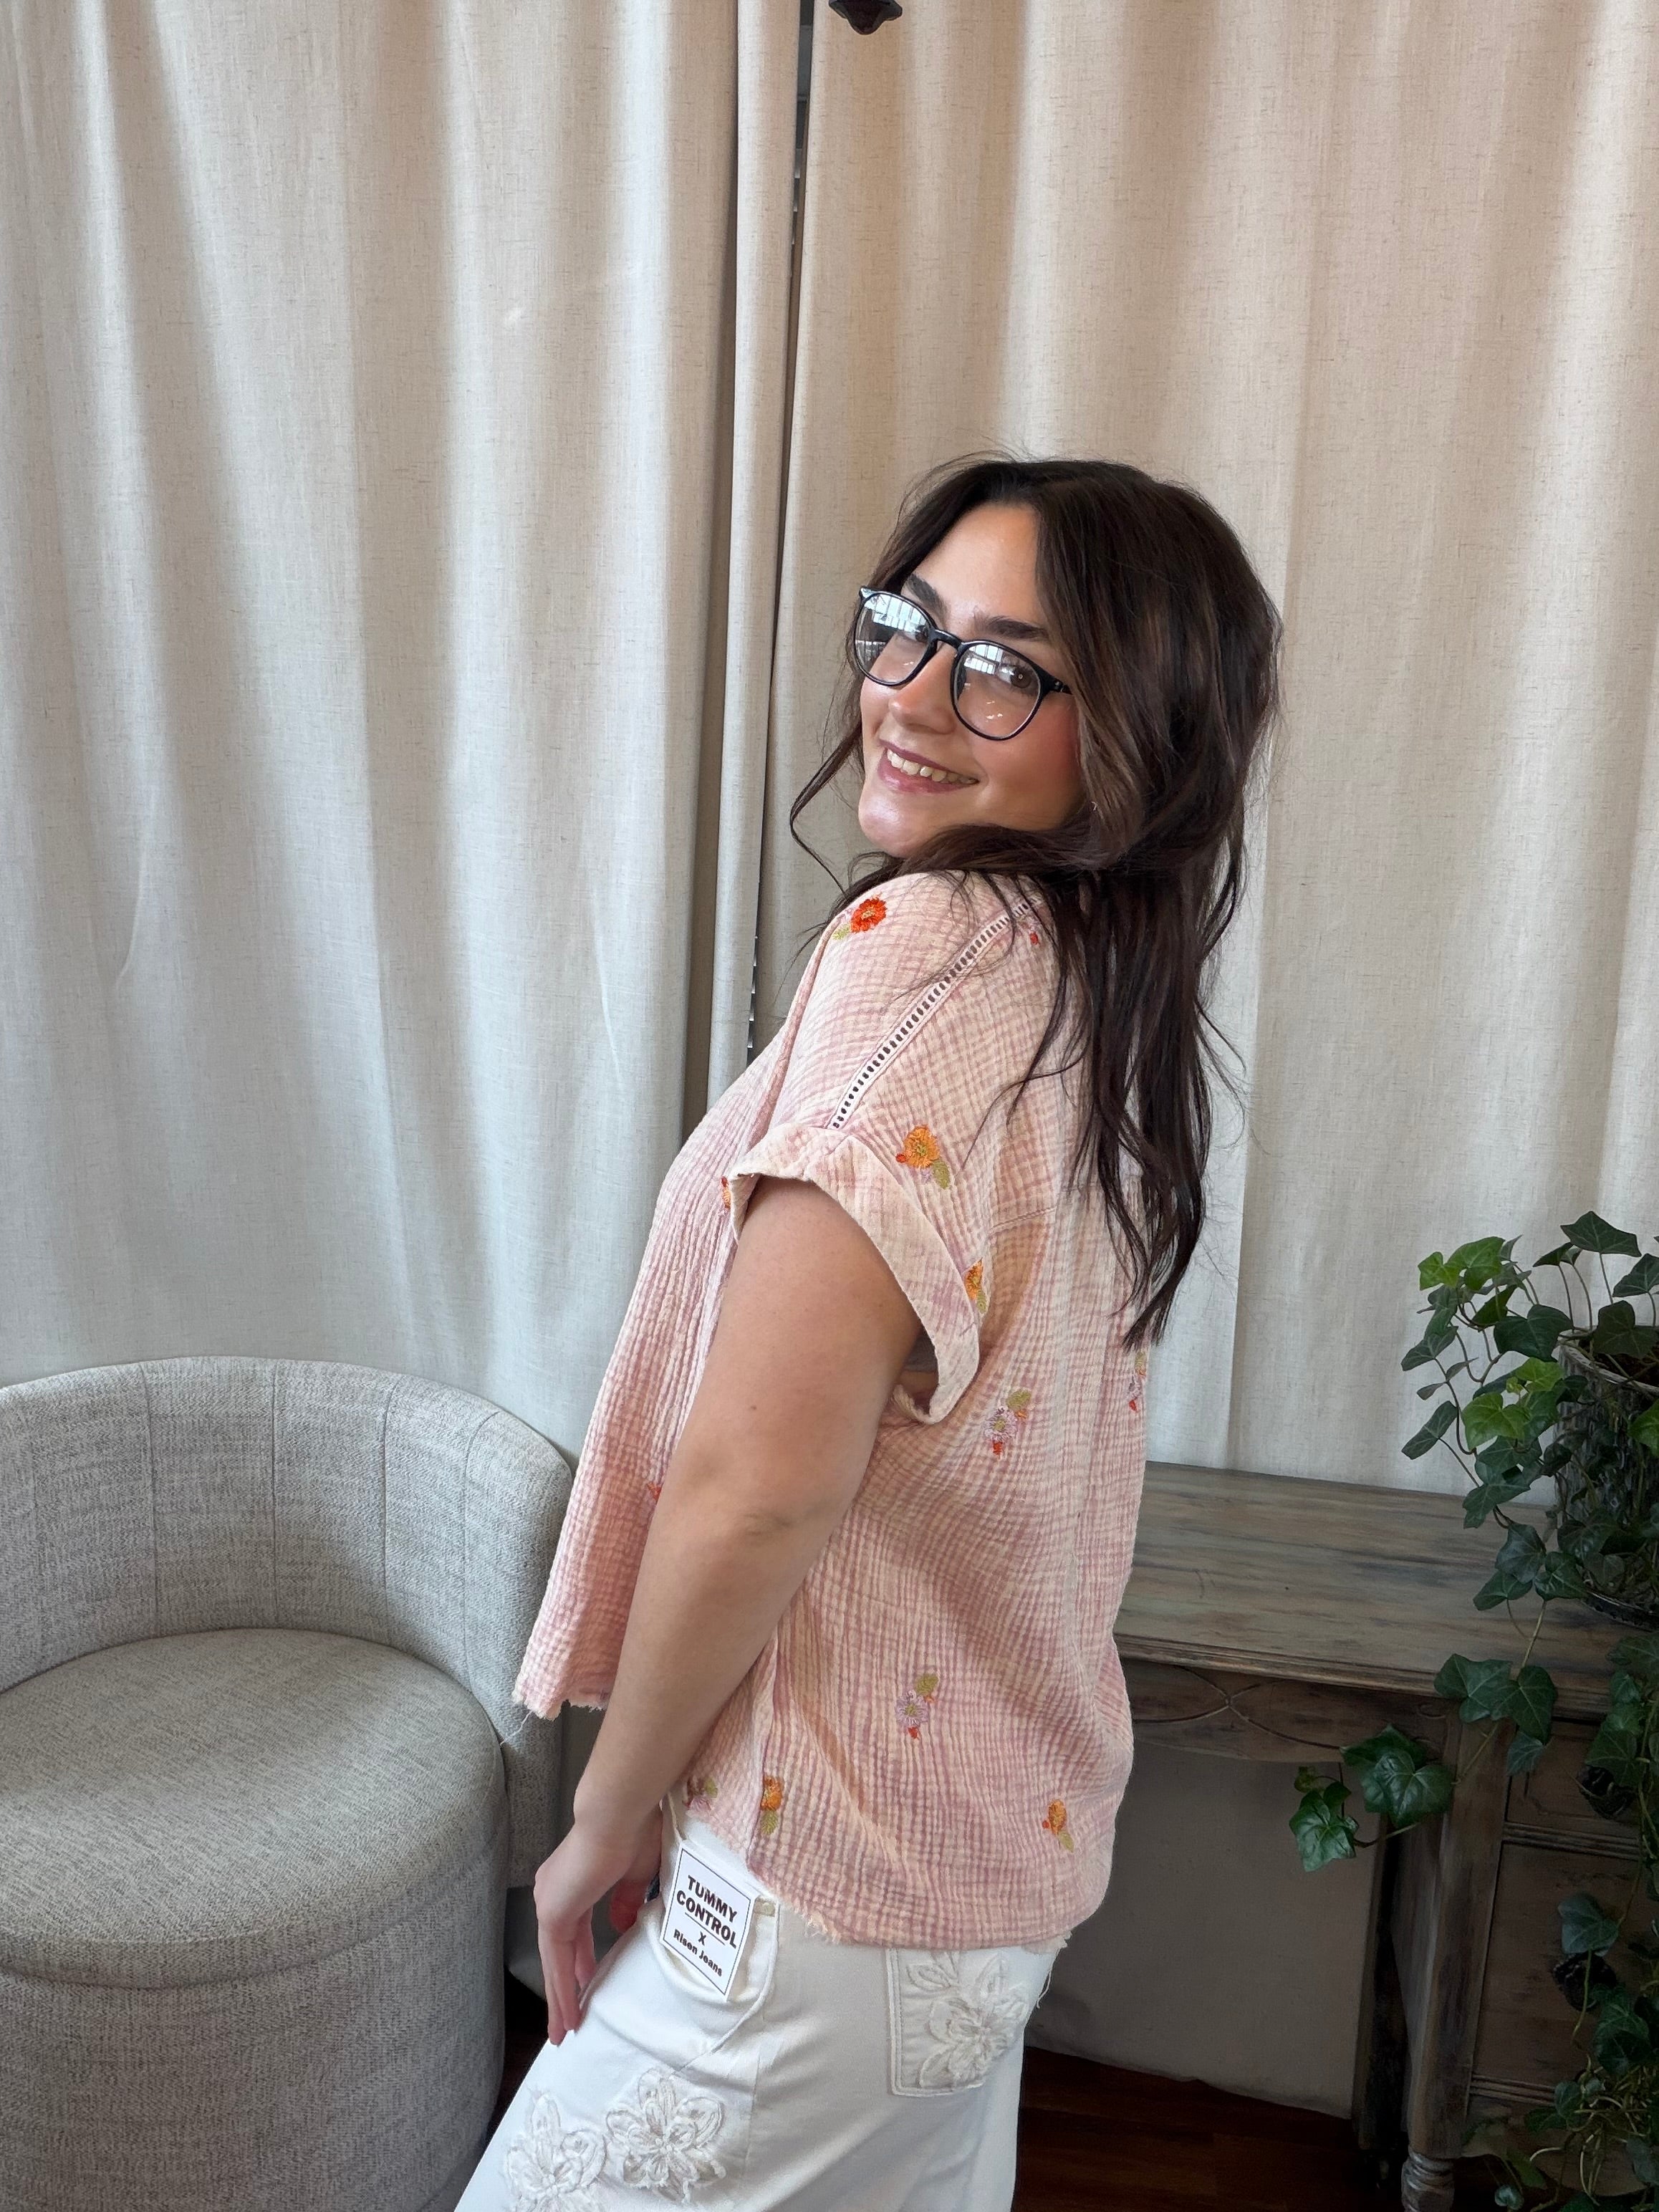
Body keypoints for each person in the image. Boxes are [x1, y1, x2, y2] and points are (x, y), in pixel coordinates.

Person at [456, 453, 1281, 2211]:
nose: (911, 694)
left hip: (807, 1904)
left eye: (1006, 664)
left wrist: (605, 1814)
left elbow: (759, 1481)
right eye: (906, 627)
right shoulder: (1091, 996)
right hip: (982, 1894)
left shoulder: (925, 960)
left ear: (1141, 733)